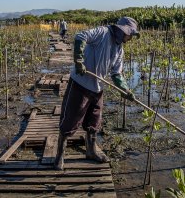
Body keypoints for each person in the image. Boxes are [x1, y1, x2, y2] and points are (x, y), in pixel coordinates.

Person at [54, 17, 140, 170]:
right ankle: (59, 155)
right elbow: (81, 36)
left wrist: (125, 89)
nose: (131, 38)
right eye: (130, 35)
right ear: (124, 30)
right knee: (70, 121)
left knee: (94, 123)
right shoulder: (102, 32)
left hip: (98, 88)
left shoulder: (120, 49)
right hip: (80, 85)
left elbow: (116, 74)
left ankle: (91, 151)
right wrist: (78, 61)